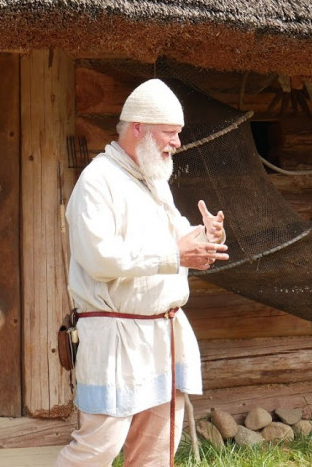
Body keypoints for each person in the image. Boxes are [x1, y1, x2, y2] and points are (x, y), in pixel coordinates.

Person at [54, 78, 228, 467]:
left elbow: (176, 236)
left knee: (156, 451)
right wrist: (175, 253)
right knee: (97, 449)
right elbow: (99, 257)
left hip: (163, 335)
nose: (177, 143)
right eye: (170, 133)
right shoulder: (97, 181)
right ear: (138, 128)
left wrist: (204, 235)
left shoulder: (153, 182)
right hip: (116, 339)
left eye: (178, 134)